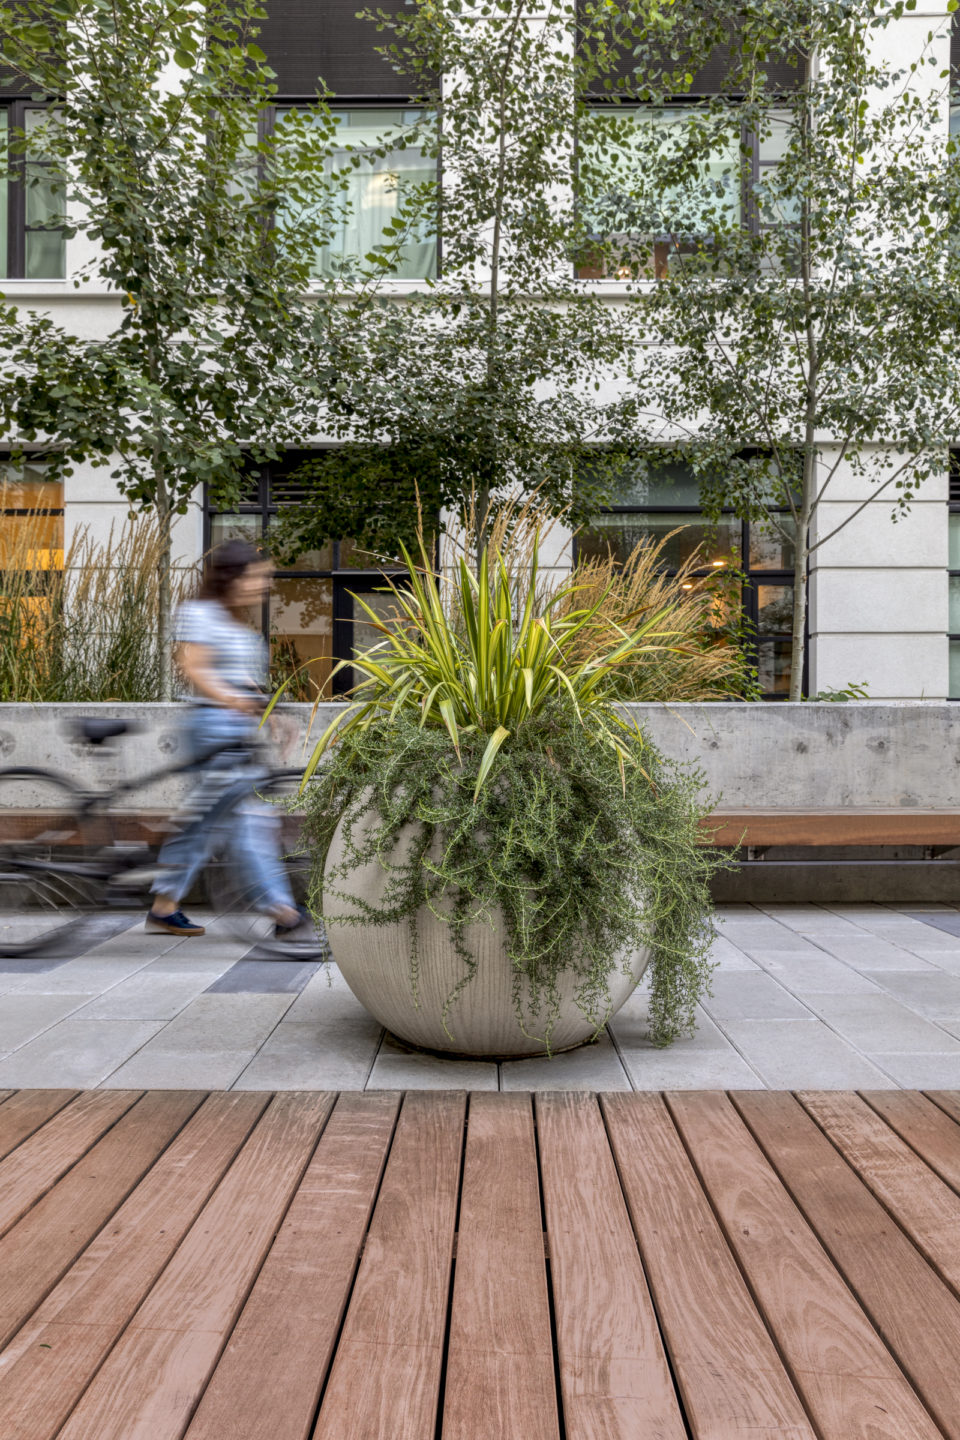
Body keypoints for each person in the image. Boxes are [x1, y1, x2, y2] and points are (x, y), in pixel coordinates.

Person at [146, 539, 304, 937]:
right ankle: (282, 909)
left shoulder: (233, 623)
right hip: (212, 731)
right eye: (258, 576)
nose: (264, 585)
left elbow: (243, 682)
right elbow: (194, 669)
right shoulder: (200, 614)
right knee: (249, 817)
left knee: (204, 822)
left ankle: (164, 906)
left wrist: (272, 714)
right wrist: (235, 701)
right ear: (233, 577)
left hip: (232, 733)